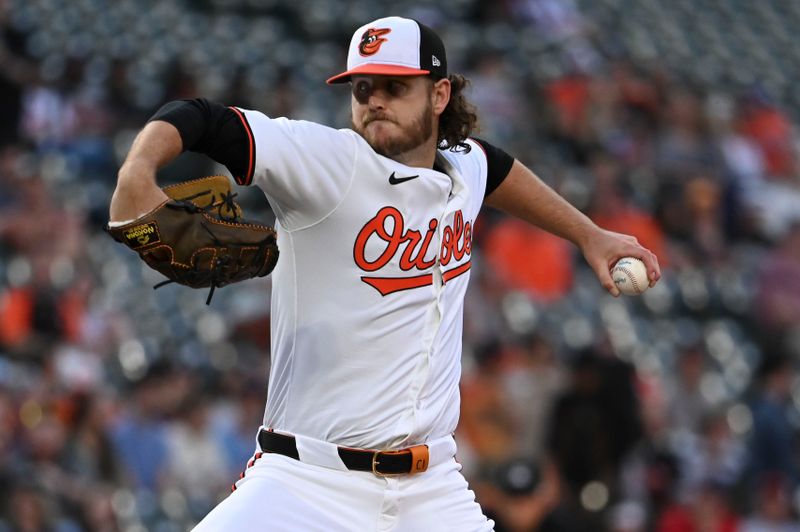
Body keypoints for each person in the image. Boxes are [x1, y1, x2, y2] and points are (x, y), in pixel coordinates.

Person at [108, 16, 660, 531]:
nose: (374, 101)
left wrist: (588, 234)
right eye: (362, 89)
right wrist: (138, 169)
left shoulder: (462, 165)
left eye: (394, 87)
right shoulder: (328, 163)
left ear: (440, 95)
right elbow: (204, 118)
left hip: (431, 487)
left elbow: (494, 167)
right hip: (307, 481)